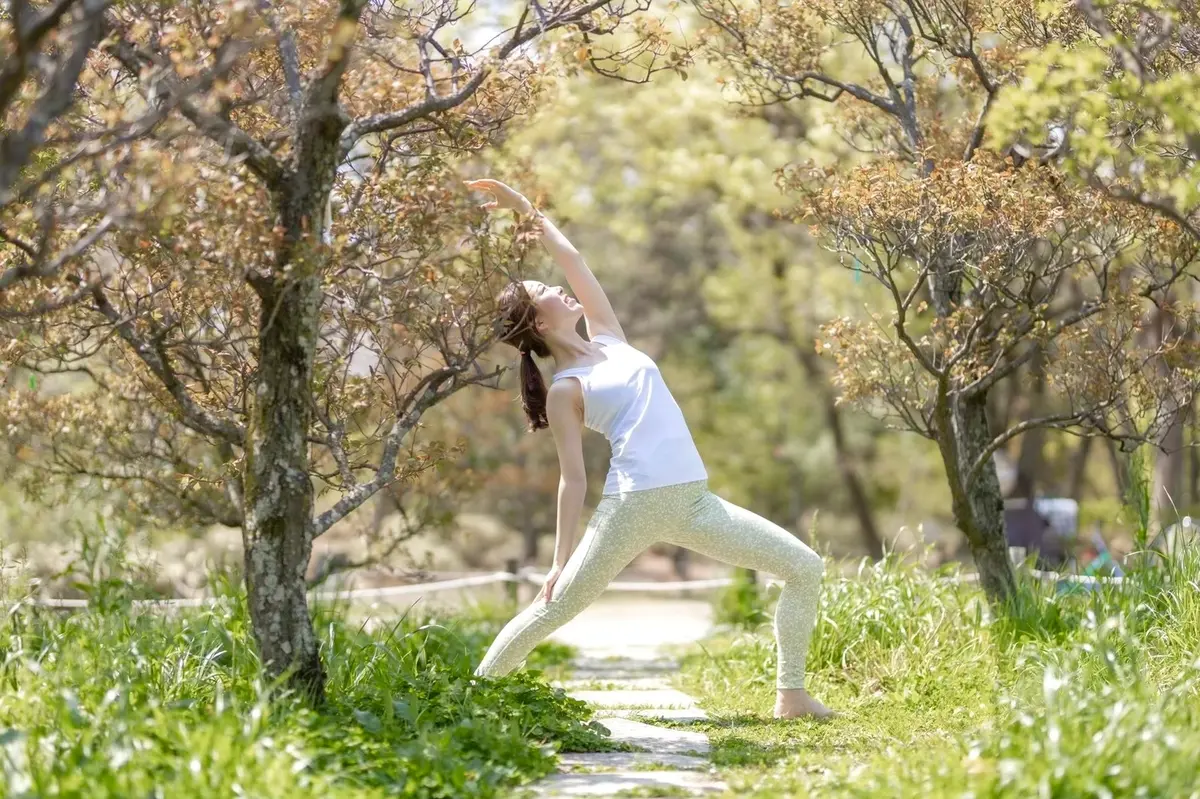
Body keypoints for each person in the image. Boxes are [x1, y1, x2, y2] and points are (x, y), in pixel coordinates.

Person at [465, 178, 834, 720]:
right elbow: (574, 480)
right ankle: (476, 701)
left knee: (804, 567)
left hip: (694, 501)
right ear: (540, 323)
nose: (563, 289)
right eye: (547, 291)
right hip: (633, 505)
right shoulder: (567, 388)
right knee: (554, 606)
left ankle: (792, 696)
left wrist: (523, 209)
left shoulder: (610, 336)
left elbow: (572, 259)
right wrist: (557, 560)